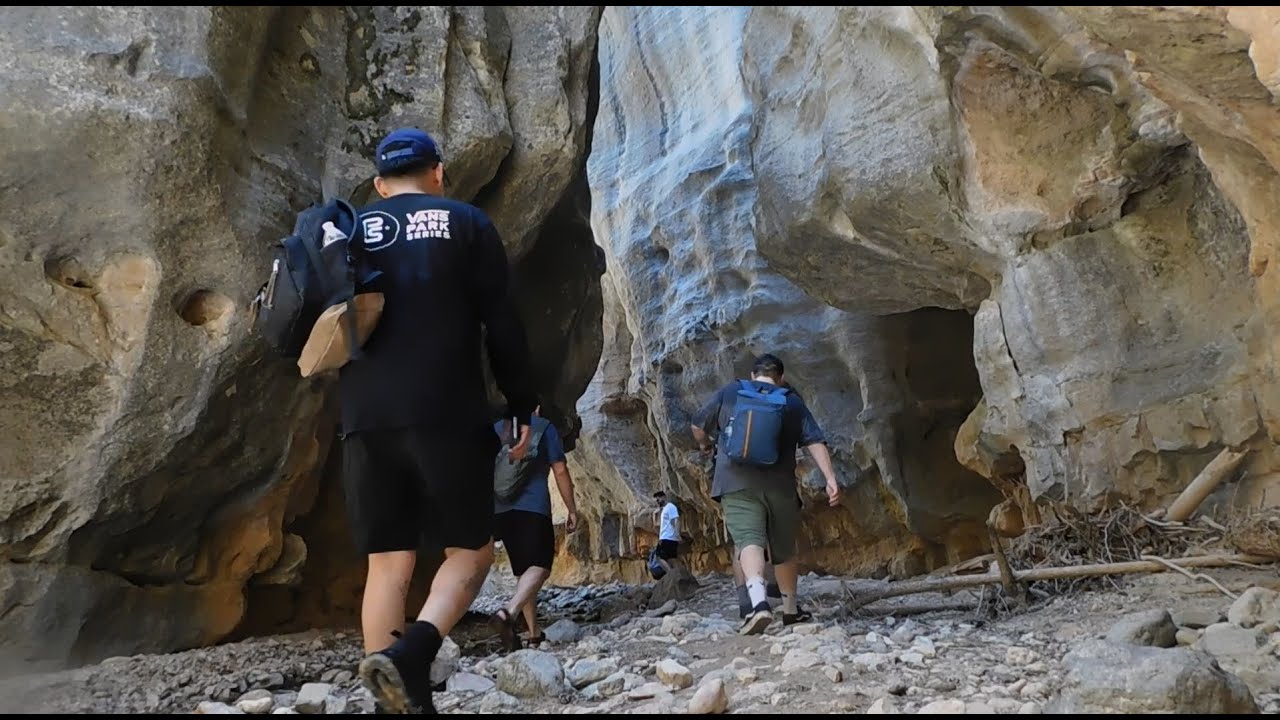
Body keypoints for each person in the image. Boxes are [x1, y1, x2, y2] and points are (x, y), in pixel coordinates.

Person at [341, 127, 538, 714]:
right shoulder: (466, 222)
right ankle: (414, 652)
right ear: (438, 173)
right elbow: (503, 324)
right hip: (446, 410)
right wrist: (521, 403)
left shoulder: (350, 231)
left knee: (388, 563)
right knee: (471, 553)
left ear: (380, 185)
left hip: (363, 416)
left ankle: (396, 702)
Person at [691, 353, 842, 635]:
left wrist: (705, 445)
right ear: (781, 378)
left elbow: (698, 426)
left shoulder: (731, 392)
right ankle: (790, 610)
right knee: (784, 549)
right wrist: (830, 478)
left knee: (749, 540)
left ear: (753, 375)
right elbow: (814, 440)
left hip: (736, 483)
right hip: (780, 487)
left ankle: (758, 603)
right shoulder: (791, 401)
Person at [488, 408, 579, 651]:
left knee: (523, 572)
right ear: (535, 407)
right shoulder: (543, 427)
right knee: (540, 565)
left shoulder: (497, 429)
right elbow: (560, 469)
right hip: (533, 509)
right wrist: (571, 509)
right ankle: (508, 613)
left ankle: (533, 633)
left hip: (500, 511)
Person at [652, 491, 682, 572]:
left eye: (658, 499)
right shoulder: (665, 509)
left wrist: (677, 534)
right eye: (656, 500)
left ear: (664, 497)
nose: (657, 501)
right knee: (671, 559)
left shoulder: (670, 507)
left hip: (667, 537)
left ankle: (671, 573)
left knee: (659, 557)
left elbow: (676, 520)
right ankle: (677, 574)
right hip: (668, 537)